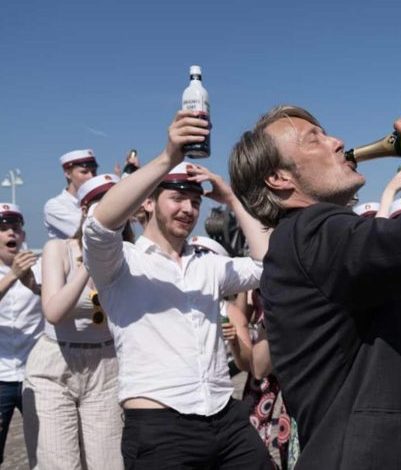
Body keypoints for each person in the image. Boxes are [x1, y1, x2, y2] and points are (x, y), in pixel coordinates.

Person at [228, 102, 401, 469]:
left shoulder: (305, 243)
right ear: (279, 178)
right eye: (313, 140)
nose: (337, 142)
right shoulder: (312, 232)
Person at [83, 110, 273, 469]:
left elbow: (268, 267)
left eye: (196, 201)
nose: (189, 209)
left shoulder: (208, 264)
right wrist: (169, 157)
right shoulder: (121, 263)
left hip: (225, 417)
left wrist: (232, 199)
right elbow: (100, 225)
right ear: (149, 202)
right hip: (160, 428)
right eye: (177, 198)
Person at [23, 174, 128, 469]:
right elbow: (54, 311)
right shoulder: (58, 249)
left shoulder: (128, 256)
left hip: (105, 368)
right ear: (84, 211)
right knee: (58, 463)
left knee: (109, 463)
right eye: (101, 204)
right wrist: (89, 264)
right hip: (55, 365)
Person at [0, 203, 43, 465]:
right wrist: (13, 276)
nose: (10, 234)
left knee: (46, 447)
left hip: (34, 374)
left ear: (24, 235)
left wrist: (35, 286)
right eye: (3, 229)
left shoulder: (38, 267)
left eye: (15, 228)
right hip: (1, 375)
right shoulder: (15, 272)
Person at [44, 149, 98, 239]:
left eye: (94, 171)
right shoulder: (54, 206)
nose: (91, 177)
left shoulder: (98, 200)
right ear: (68, 174)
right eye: (84, 172)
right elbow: (91, 232)